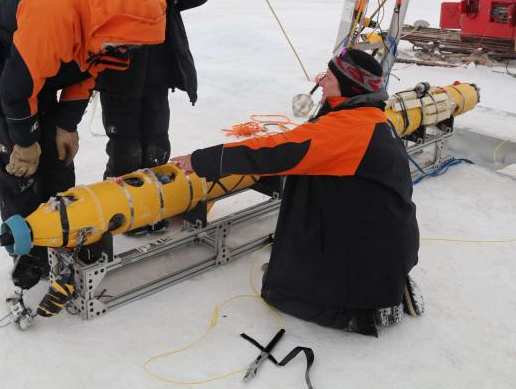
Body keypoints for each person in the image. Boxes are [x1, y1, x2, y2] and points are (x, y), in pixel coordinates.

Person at [172, 49, 421, 336]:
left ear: (347, 86)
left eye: (328, 78)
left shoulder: (347, 129)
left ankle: (357, 306)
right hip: (385, 247)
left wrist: (201, 160)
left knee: (284, 293)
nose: (321, 83)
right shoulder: (372, 119)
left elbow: (273, 152)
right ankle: (381, 286)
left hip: (363, 260)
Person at [0, 0, 166, 285]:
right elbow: (16, 89)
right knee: (20, 164)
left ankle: (67, 230)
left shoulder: (107, 30)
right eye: (127, 43)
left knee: (56, 154)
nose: (127, 49)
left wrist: (66, 126)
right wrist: (25, 142)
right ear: (117, 25)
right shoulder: (55, 15)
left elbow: (84, 73)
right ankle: (30, 250)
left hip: (35, 70)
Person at [94, 0, 211, 234]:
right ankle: (125, 210)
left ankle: (153, 204)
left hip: (156, 76)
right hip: (120, 74)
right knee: (125, 148)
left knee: (156, 144)